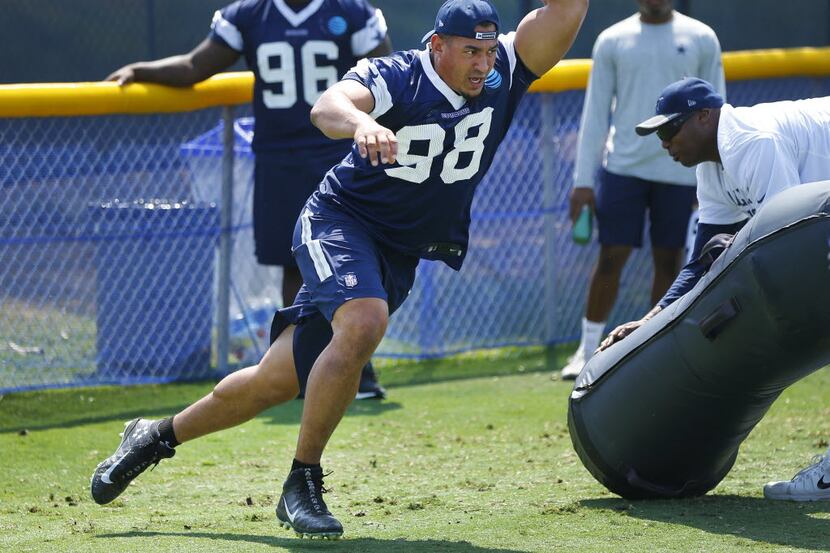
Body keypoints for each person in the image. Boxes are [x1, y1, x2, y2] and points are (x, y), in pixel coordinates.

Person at [90, 0, 589, 538]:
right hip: (339, 219)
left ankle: (153, 437)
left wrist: (504, 49)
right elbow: (328, 105)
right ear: (436, 46)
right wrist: (360, 124)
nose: (482, 64)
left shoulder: (504, 70)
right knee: (365, 323)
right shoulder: (398, 73)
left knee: (272, 381)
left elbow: (564, 13)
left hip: (397, 250)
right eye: (470, 50)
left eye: (490, 51)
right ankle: (302, 481)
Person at [106, 0, 392, 400]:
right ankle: (303, 370)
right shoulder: (249, 14)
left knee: (353, 258)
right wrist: (141, 69)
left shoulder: (352, 11)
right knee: (294, 264)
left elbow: (386, 77)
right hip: (280, 160)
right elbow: (195, 67)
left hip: (339, 156)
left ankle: (356, 369)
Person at [601, 76, 830, 500]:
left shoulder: (751, 143)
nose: (665, 143)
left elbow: (788, 243)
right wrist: (650, 322)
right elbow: (699, 265)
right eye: (660, 134)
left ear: (705, 116)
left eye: (671, 129)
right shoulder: (713, 165)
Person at [560, 0, 724, 380]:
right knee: (611, 256)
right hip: (623, 169)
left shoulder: (702, 37)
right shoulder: (612, 40)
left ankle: (650, 350)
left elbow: (717, 111)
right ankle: (587, 352)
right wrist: (583, 182)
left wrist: (714, 174)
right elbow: (595, 111)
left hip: (682, 174)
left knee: (669, 261)